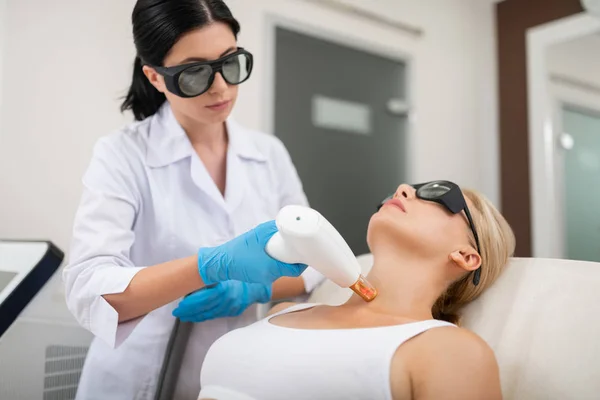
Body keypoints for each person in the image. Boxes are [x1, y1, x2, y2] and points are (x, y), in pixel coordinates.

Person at [62, 1, 324, 399]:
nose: (220, 88)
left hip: (234, 378)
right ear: (155, 76)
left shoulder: (268, 154)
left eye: (231, 63)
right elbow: (89, 289)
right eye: (194, 73)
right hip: (137, 381)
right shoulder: (123, 155)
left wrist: (253, 290)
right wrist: (207, 267)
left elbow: (314, 263)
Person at [197, 181, 516, 400]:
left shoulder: (448, 351)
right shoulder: (283, 312)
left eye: (438, 193)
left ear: (466, 255)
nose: (403, 189)